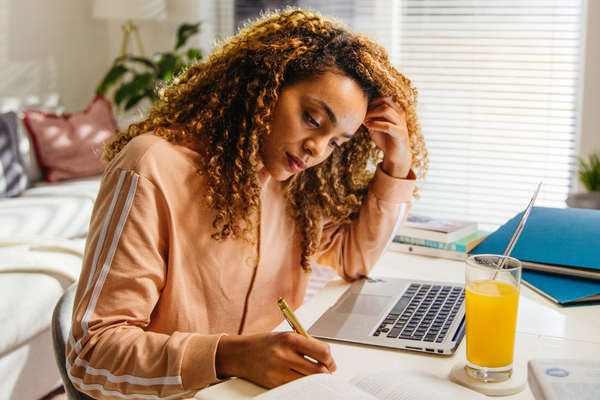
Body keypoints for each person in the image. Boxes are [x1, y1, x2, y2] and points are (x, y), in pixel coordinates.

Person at [67, 8, 428, 400]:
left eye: (337, 142)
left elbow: (353, 259)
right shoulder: (150, 168)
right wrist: (230, 356)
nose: (317, 149)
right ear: (262, 85)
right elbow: (92, 355)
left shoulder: (295, 183)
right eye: (311, 119)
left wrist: (397, 163)